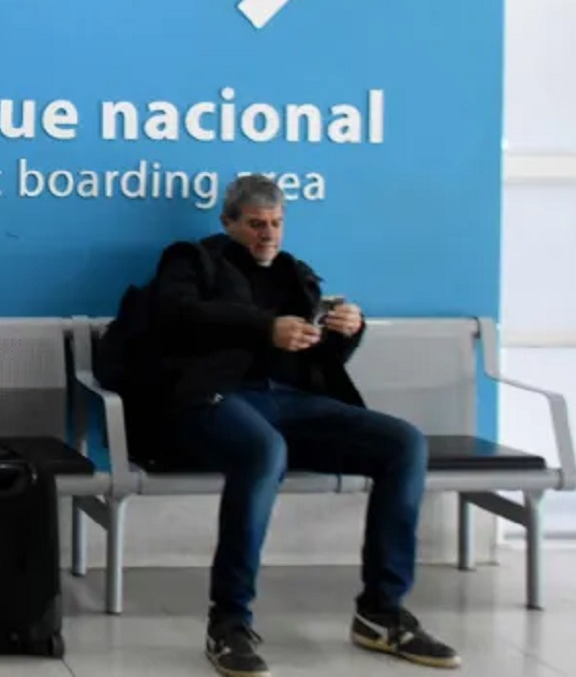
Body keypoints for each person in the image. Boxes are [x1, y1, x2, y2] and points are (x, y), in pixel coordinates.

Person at [136, 174, 461, 676]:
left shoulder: (295, 274)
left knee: (403, 443)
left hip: (290, 403)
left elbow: (318, 363)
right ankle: (229, 622)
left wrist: (347, 332)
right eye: (255, 224)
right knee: (263, 451)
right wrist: (263, 327)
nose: (267, 234)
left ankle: (380, 613)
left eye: (276, 224)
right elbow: (177, 316)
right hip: (210, 403)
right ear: (228, 223)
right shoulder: (191, 260)